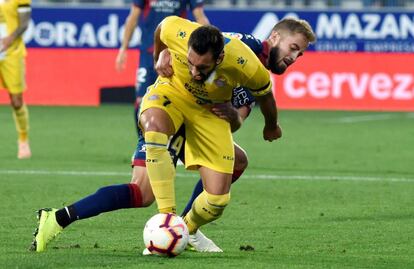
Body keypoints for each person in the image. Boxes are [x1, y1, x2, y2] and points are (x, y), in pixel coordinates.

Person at [30, 17, 316, 253]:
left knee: (236, 161)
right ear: (276, 36)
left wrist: (236, 118)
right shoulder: (243, 49)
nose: (294, 57)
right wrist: (162, 55)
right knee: (142, 193)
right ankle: (58, 219)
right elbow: (187, 37)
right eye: (293, 47)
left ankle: (185, 229)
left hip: (201, 121)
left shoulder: (255, 73)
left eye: (300, 53)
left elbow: (234, 121)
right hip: (171, 106)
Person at [115, 0, 209, 135]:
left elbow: (200, 17)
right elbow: (133, 17)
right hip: (148, 54)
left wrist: (210, 47)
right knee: (141, 101)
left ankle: (175, 145)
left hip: (175, 53)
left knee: (177, 100)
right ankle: (145, 144)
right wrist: (123, 48)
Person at [0, 0, 32, 159]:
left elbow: (24, 22)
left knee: (16, 100)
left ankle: (23, 140)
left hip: (11, 53)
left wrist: (9, 38)